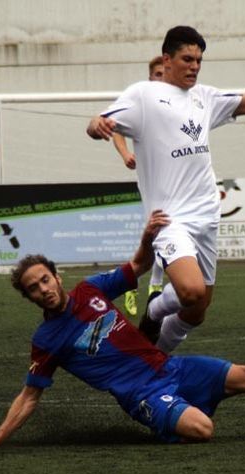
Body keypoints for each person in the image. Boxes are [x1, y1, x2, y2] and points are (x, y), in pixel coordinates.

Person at [0, 210, 245, 451]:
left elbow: (137, 268)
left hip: (169, 369)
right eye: (34, 288)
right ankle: (166, 421)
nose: (43, 289)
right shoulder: (46, 341)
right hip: (141, 393)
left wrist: (146, 237)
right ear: (29, 297)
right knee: (203, 430)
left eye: (45, 279)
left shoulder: (90, 289)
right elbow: (29, 395)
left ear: (57, 275)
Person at [86, 24, 245, 353]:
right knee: (192, 291)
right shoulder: (144, 95)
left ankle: (154, 359)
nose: (195, 66)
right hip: (170, 219)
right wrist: (96, 124)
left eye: (199, 60)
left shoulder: (204, 97)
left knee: (197, 311)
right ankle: (153, 315)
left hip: (207, 216)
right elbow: (98, 122)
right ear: (167, 59)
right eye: (187, 59)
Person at [114, 56, 166, 317]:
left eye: (164, 73)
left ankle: (150, 284)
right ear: (150, 77)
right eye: (157, 74)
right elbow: (115, 128)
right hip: (153, 183)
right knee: (157, 231)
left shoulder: (181, 102)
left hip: (178, 183)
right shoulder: (142, 104)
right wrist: (125, 154)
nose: (162, 78)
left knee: (162, 234)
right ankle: (141, 282)